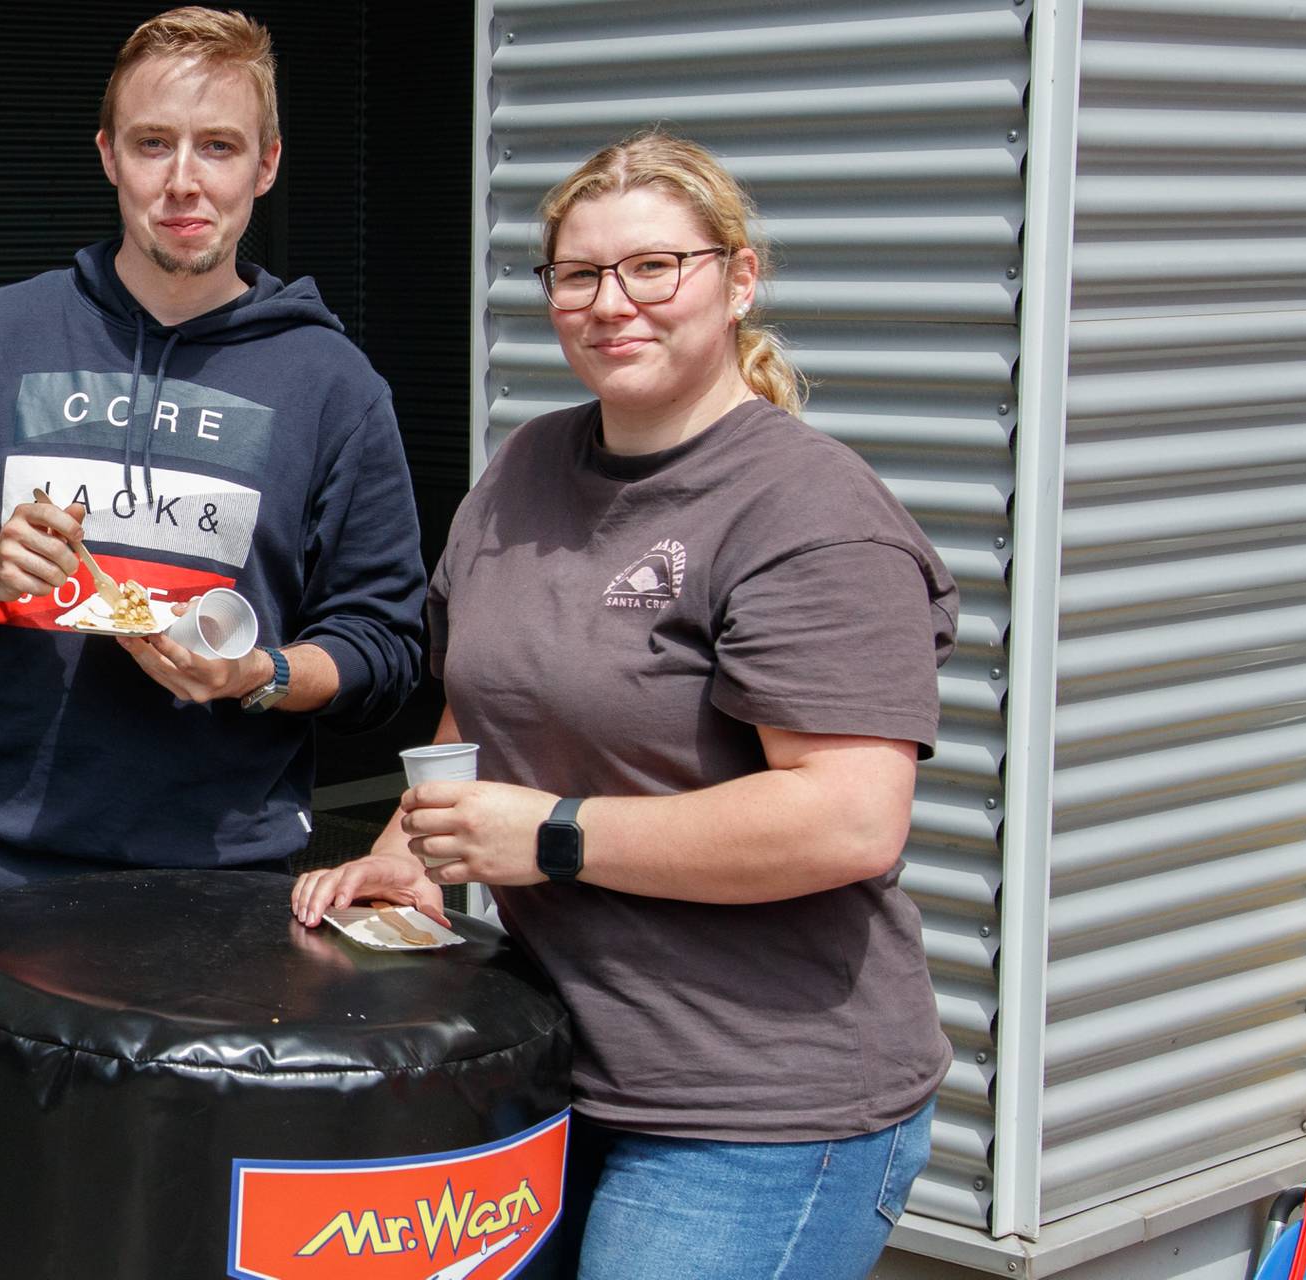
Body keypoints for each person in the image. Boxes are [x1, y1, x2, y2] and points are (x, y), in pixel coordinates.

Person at [292, 130, 960, 1279]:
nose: (614, 303)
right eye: (580, 274)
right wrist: (410, 849)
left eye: (656, 266)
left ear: (739, 278)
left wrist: (551, 834)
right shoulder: (526, 467)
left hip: (757, 1106)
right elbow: (479, 713)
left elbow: (849, 817)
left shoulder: (807, 511)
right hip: (548, 1058)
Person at [0, 5, 429, 1003]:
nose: (183, 180)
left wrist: (259, 673)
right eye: (153, 143)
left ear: (266, 164)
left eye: (218, 147)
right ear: (108, 157)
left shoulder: (332, 383)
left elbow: (386, 643)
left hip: (219, 885)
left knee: (187, 1168)